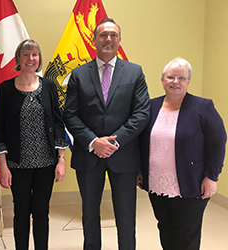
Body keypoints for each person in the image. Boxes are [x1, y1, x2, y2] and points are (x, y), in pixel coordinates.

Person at [63, 18, 150, 250]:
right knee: (90, 214)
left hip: (124, 156)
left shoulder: (135, 72)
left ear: (120, 40)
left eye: (113, 35)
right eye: (103, 35)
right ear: (94, 40)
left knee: (125, 215)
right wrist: (93, 141)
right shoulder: (79, 74)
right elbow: (69, 115)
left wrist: (115, 142)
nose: (108, 39)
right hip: (88, 156)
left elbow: (141, 114)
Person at [137, 57, 226, 250]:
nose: (175, 82)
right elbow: (142, 142)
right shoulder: (151, 107)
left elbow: (218, 143)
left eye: (181, 78)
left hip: (191, 183)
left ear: (188, 81)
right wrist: (140, 170)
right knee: (165, 227)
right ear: (162, 80)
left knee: (186, 233)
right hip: (157, 183)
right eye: (170, 77)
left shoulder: (202, 107)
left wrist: (212, 177)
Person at [0, 39, 68, 250]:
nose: (30, 59)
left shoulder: (49, 87)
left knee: (42, 213)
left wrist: (61, 159)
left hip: (46, 163)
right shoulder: (5, 90)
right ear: (18, 59)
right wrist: (3, 166)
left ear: (39, 59)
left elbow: (58, 121)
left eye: (34, 54)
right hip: (17, 165)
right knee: (21, 213)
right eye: (26, 55)